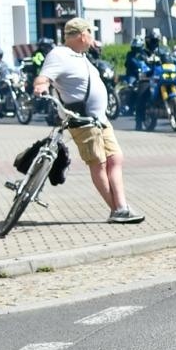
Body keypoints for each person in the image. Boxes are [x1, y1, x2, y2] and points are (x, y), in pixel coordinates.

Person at [30, 17, 144, 224]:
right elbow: (44, 77)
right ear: (83, 35)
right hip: (82, 120)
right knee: (98, 163)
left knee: (115, 158)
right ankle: (118, 209)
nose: (92, 38)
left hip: (100, 120)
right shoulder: (59, 54)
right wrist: (41, 85)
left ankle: (121, 207)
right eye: (91, 33)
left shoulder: (80, 56)